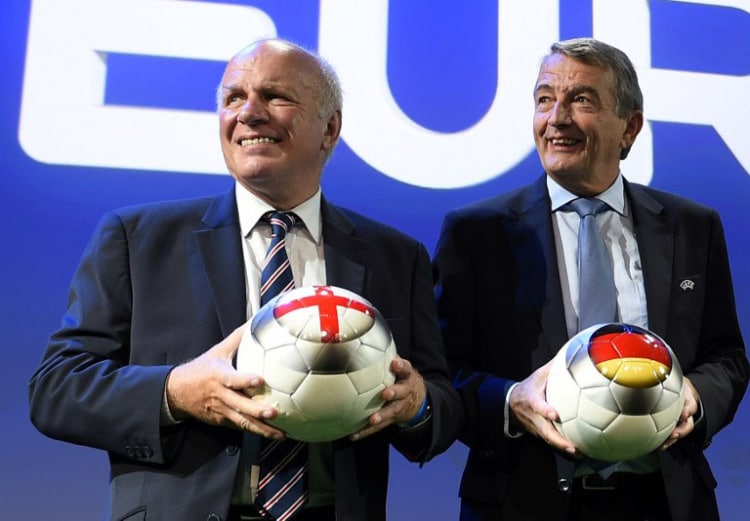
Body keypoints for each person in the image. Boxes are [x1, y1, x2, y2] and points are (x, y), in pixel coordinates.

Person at [29, 38, 463, 521]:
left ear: (330, 128)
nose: (249, 113)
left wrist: (417, 405)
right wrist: (174, 393)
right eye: (234, 98)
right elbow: (56, 390)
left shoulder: (394, 256)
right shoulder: (137, 239)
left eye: (275, 96)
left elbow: (443, 409)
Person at [433, 37, 749, 521]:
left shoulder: (692, 226)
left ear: (630, 127)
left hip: (665, 500)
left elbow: (726, 356)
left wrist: (697, 396)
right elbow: (445, 373)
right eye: (544, 99)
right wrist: (511, 400)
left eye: (580, 99)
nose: (556, 118)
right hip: (524, 500)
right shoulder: (477, 233)